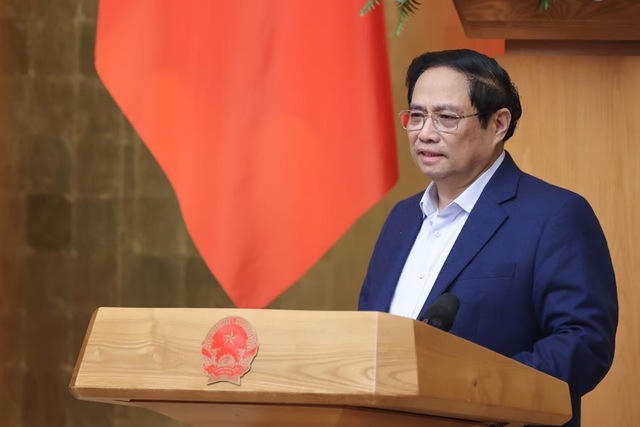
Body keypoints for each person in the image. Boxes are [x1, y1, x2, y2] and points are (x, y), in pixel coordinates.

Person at [358, 49, 618, 426]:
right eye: (416, 116)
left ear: (498, 124)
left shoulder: (555, 215)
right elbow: (369, 335)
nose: (425, 133)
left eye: (446, 117)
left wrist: (478, 392)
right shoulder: (401, 217)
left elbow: (583, 342)